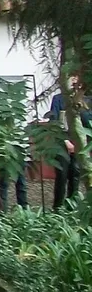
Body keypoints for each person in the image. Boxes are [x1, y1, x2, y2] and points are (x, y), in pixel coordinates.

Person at [46, 77, 87, 210]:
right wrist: (66, 141)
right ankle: (57, 208)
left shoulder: (86, 100)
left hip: (80, 143)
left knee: (75, 174)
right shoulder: (58, 99)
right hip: (62, 142)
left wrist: (80, 143)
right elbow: (54, 122)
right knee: (62, 174)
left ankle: (72, 206)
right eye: (72, 81)